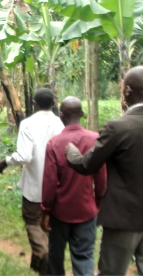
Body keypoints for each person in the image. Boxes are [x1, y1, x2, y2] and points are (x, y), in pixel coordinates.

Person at [65, 66, 143, 275]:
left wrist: (71, 152)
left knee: (111, 272)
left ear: (127, 91)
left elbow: (87, 165)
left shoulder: (118, 127)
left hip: (123, 217)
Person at [0, 88, 64, 273]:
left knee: (33, 222)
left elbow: (25, 156)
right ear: (54, 104)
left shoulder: (27, 124)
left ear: (34, 104)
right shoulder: (60, 124)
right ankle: (40, 267)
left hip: (35, 185)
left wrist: (6, 161)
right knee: (49, 225)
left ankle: (42, 254)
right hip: (57, 187)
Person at [40, 97, 107, 275]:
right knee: (84, 256)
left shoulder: (54, 143)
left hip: (59, 212)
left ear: (61, 115)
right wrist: (99, 202)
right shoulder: (95, 139)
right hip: (86, 210)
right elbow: (102, 177)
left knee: (56, 256)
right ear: (82, 114)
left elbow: (49, 182)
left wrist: (46, 210)